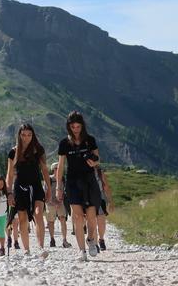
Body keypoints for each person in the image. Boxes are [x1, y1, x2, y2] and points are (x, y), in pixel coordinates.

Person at [56, 111, 101, 261]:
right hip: (72, 182)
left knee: (91, 216)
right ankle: (82, 251)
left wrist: (94, 162)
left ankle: (91, 239)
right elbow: (61, 166)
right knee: (77, 217)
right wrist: (58, 188)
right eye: (73, 126)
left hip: (89, 181)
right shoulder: (64, 143)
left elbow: (98, 159)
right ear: (68, 127)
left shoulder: (90, 140)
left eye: (78, 126)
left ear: (82, 126)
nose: (76, 129)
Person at [6, 123, 51, 258]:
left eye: (29, 135)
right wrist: (9, 193)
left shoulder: (38, 150)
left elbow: (44, 170)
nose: (26, 138)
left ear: (33, 135)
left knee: (38, 214)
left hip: (36, 186)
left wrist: (48, 188)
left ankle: (41, 247)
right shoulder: (13, 152)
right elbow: (9, 174)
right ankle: (26, 249)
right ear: (19, 135)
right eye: (24, 135)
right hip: (20, 187)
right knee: (22, 218)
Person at [46, 162, 72, 248]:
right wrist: (53, 202)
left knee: (63, 219)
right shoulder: (49, 179)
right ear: (53, 169)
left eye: (59, 168)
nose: (58, 170)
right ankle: (52, 239)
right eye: (56, 168)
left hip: (60, 202)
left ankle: (64, 240)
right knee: (51, 222)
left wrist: (60, 201)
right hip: (50, 202)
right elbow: (46, 192)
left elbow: (64, 192)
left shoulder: (63, 179)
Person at [95, 166, 113, 251]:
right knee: (91, 221)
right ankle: (93, 242)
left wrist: (110, 201)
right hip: (87, 198)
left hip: (100, 198)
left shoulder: (99, 172)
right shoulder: (83, 170)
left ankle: (101, 239)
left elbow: (106, 187)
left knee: (101, 220)